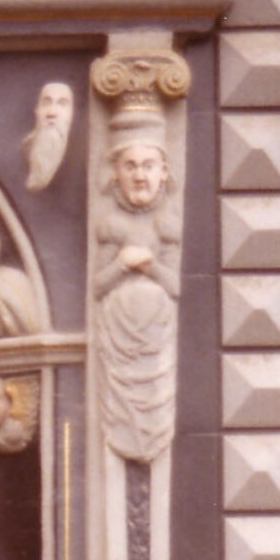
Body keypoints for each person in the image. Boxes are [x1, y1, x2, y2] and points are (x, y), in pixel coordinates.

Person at [94, 118, 180, 464]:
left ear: (164, 171)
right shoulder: (110, 225)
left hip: (154, 344)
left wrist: (147, 265)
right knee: (121, 417)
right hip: (119, 344)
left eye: (148, 166)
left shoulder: (167, 225)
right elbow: (98, 285)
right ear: (115, 173)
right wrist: (120, 265)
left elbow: (175, 285)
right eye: (130, 166)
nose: (140, 175)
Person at [22, 81, 74, 191]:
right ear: (36, 111)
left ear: (72, 114)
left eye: (62, 104)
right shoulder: (24, 150)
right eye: (46, 103)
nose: (51, 113)